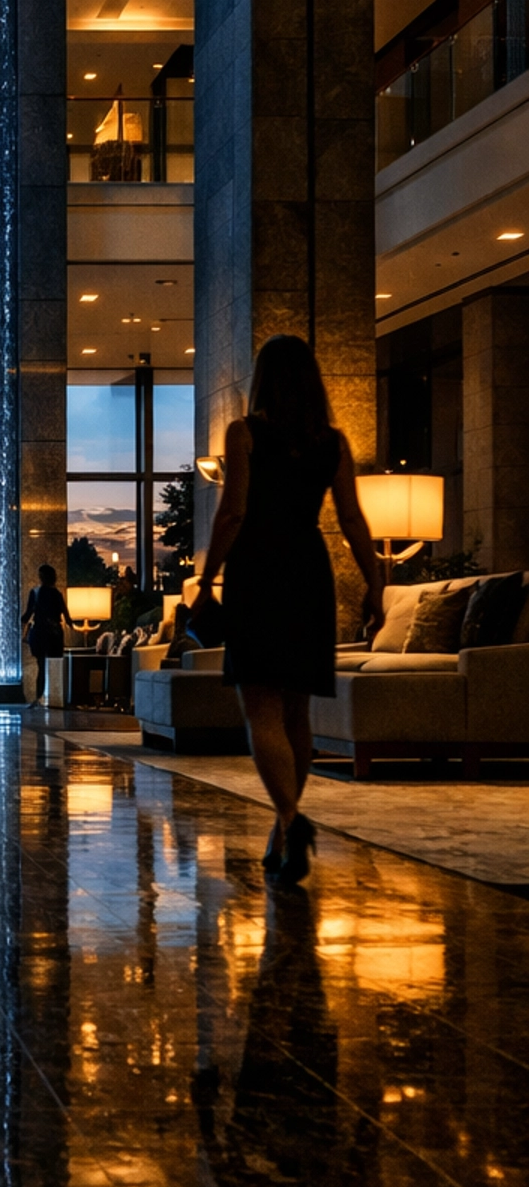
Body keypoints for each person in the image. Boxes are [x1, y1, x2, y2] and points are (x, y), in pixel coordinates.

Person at [192, 333, 382, 886]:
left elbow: (232, 513)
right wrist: (374, 583)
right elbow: (351, 520)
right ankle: (283, 830)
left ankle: (292, 821)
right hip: (309, 571)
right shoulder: (334, 443)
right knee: (296, 712)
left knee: (262, 708)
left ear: (263, 380)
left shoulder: (245, 433)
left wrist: (208, 580)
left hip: (259, 571)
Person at [20, 564, 73, 700]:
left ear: (41, 577)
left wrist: (21, 623)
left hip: (39, 633)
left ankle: (39, 697)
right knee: (55, 667)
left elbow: (28, 615)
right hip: (54, 634)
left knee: (41, 667)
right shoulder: (57, 594)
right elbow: (66, 616)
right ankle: (56, 697)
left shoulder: (35, 592)